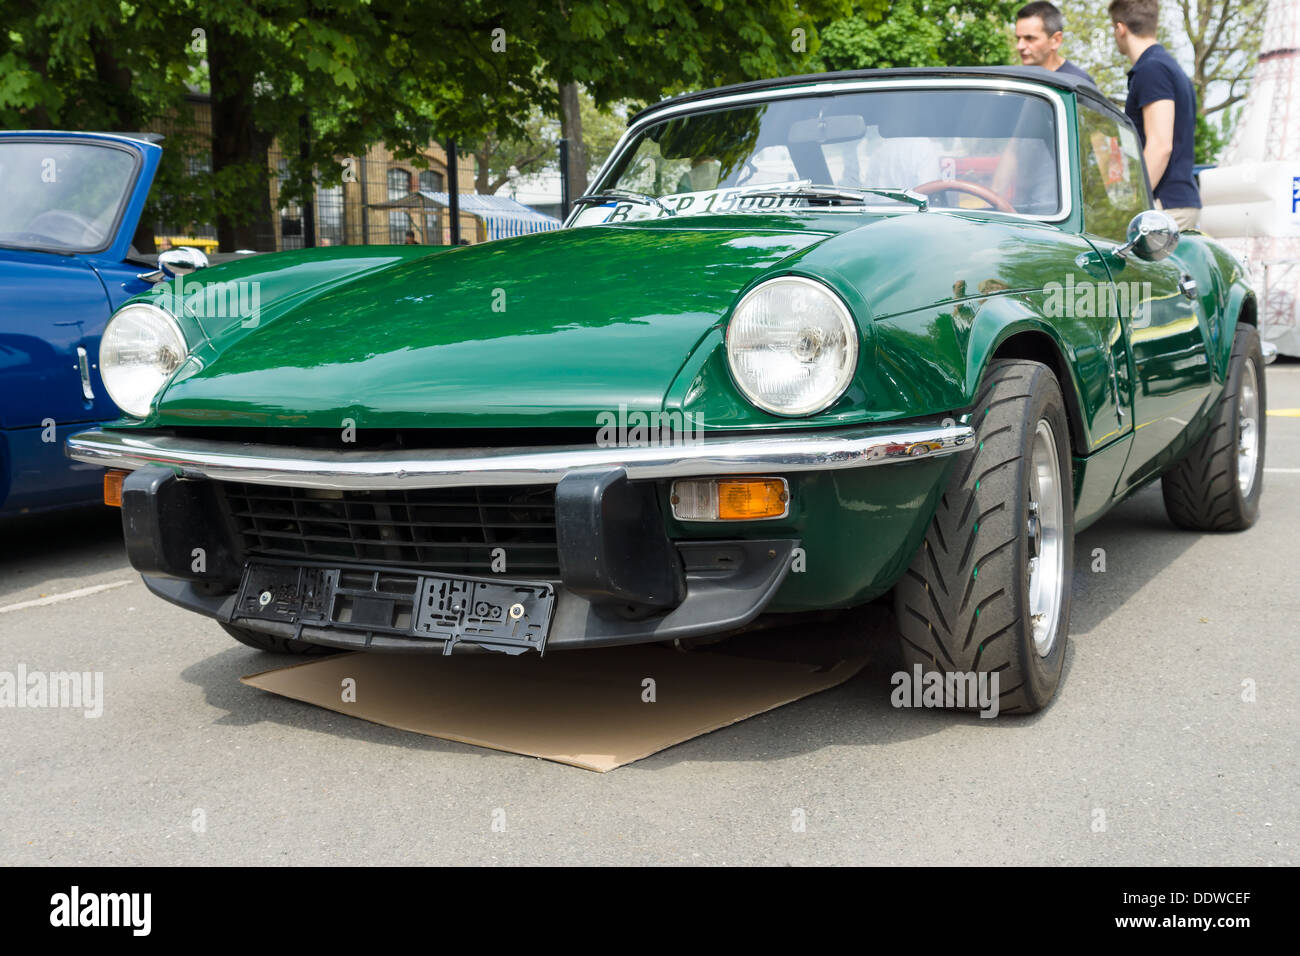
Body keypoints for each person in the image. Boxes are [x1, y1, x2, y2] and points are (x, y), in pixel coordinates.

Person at [1110, 0, 1201, 230]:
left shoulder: (1152, 70)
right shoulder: (1168, 67)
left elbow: (1161, 146)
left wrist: (1131, 206)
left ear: (1120, 28)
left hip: (1164, 206)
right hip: (1174, 203)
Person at [1015, 2, 1097, 86]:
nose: (1020, 46)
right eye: (1018, 38)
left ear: (1056, 40)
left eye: (1030, 38)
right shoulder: (1016, 81)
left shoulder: (1079, 84)